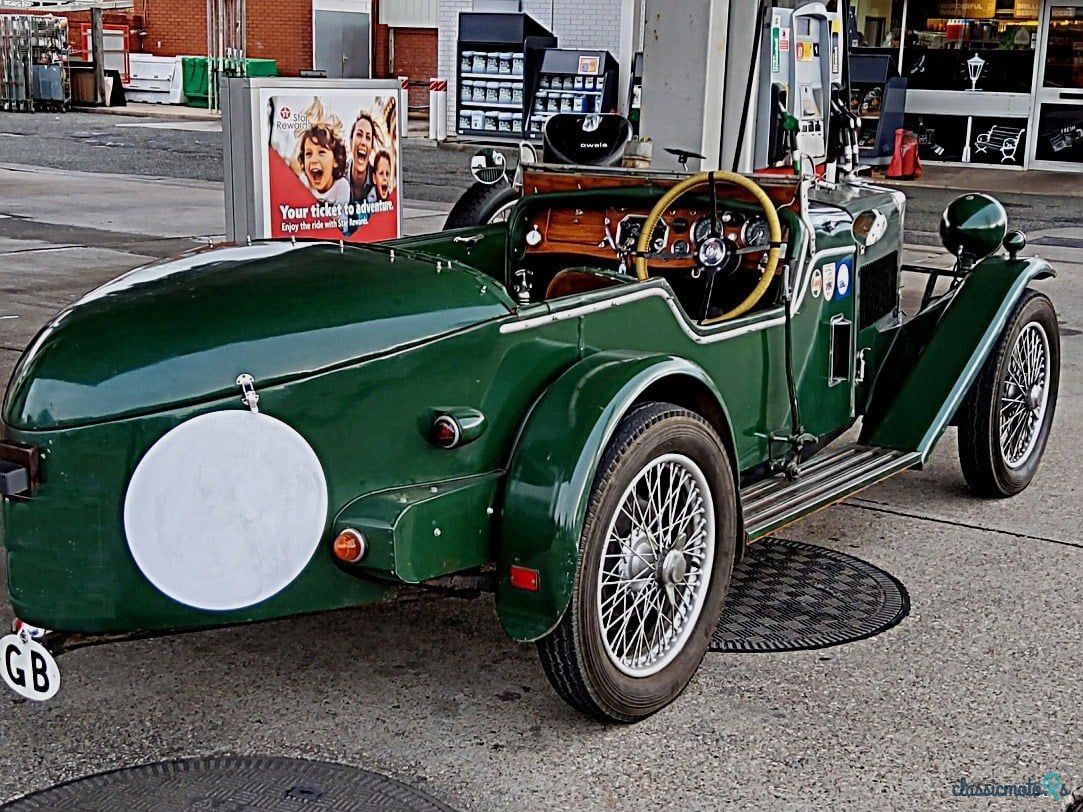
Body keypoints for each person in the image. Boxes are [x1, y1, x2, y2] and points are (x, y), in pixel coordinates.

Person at [348, 111, 380, 204]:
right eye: (359, 135)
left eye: (368, 138)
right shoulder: (338, 177)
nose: (363, 142)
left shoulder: (378, 180)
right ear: (351, 142)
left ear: (371, 147)